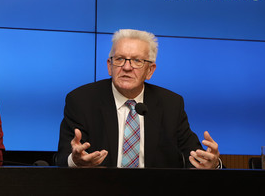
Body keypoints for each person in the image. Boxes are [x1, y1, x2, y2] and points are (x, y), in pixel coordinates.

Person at [57, 29, 221, 168]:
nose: (127, 67)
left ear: (150, 70)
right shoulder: (81, 100)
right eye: (120, 59)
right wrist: (75, 160)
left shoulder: (171, 104)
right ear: (109, 66)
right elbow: (63, 158)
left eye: (137, 61)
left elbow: (194, 157)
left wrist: (213, 164)